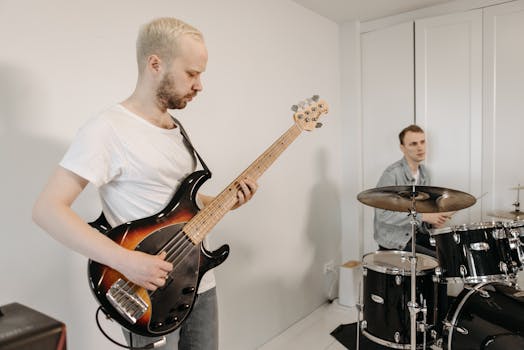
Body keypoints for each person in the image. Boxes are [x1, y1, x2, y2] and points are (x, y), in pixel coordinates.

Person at [32, 17, 257, 350]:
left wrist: (226, 200)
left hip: (198, 279)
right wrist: (126, 262)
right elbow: (47, 210)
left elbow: (176, 204)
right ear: (155, 64)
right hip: (145, 289)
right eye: (192, 74)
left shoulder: (177, 129)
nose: (199, 86)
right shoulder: (107, 129)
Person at [373, 124, 450, 256]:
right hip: (396, 240)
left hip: (416, 235)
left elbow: (423, 209)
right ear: (402, 148)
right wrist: (424, 216)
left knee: (451, 253)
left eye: (422, 142)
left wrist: (435, 220)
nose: (420, 147)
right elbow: (383, 214)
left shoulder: (425, 173)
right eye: (413, 144)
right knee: (438, 260)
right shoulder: (392, 174)